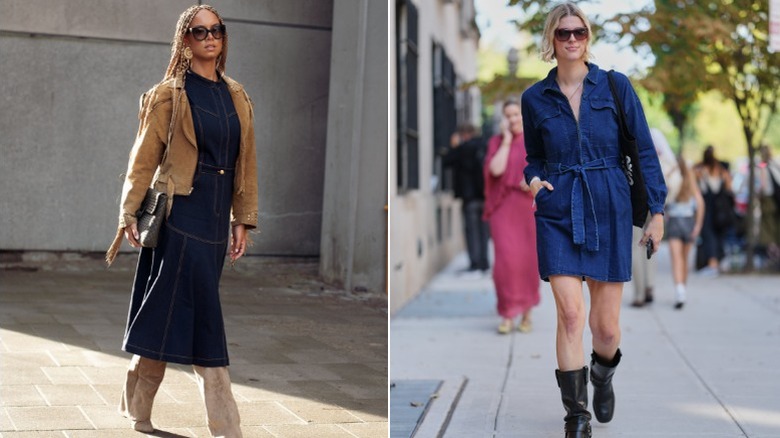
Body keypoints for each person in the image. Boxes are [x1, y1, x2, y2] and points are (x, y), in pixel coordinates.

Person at [105, 5, 257, 436]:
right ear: (184, 40)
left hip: (214, 220)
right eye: (199, 31)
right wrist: (127, 212)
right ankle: (226, 425)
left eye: (217, 30)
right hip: (180, 215)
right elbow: (142, 160)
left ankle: (138, 408)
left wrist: (241, 219)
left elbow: (247, 164)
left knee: (165, 311)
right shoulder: (170, 94)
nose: (210, 37)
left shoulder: (237, 96)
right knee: (204, 318)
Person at [520, 3, 667, 437]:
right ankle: (576, 416)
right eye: (562, 33)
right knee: (570, 316)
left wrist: (656, 211)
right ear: (551, 39)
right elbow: (533, 156)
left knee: (605, 328)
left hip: (608, 206)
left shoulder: (616, 87)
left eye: (578, 32)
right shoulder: (534, 98)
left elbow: (643, 151)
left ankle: (602, 375)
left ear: (588, 36)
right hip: (558, 208)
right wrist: (532, 180)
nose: (571, 39)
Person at [483, 100, 540, 334]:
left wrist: (532, 181)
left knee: (527, 262)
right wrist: (506, 141)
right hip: (503, 208)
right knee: (505, 262)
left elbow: (546, 170)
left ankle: (526, 311)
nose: (513, 119)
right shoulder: (496, 142)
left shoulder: (534, 142)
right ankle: (507, 313)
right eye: (508, 115)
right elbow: (495, 170)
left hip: (527, 208)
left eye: (516, 114)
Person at [630, 128, 679, 307]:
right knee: (651, 242)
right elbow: (673, 170)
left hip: (634, 198)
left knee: (636, 246)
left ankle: (639, 294)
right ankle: (649, 285)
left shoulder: (626, 134)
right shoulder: (656, 136)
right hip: (654, 199)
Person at [442, 123, 490, 277]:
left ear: (463, 134)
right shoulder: (484, 146)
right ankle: (484, 262)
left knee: (471, 230)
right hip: (485, 195)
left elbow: (446, 162)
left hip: (469, 197)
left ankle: (475, 262)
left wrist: (454, 146)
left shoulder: (462, 149)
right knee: (483, 230)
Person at [665, 155, 705, 309]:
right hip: (689, 222)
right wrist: (698, 225)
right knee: (684, 259)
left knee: (676, 259)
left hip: (675, 221)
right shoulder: (691, 183)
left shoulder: (673, 182)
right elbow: (700, 204)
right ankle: (682, 289)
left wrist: (671, 171)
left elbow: (663, 194)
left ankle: (679, 290)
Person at [694, 145, 733, 277]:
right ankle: (718, 262)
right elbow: (729, 187)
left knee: (708, 235)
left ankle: (712, 264)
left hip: (707, 208)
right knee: (718, 236)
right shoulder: (722, 170)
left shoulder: (699, 170)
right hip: (721, 209)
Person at [757, 145, 780, 264]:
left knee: (767, 227)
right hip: (777, 200)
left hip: (768, 200)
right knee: (776, 227)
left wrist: (758, 195)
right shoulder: (776, 164)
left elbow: (763, 186)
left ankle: (773, 255)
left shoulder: (763, 167)